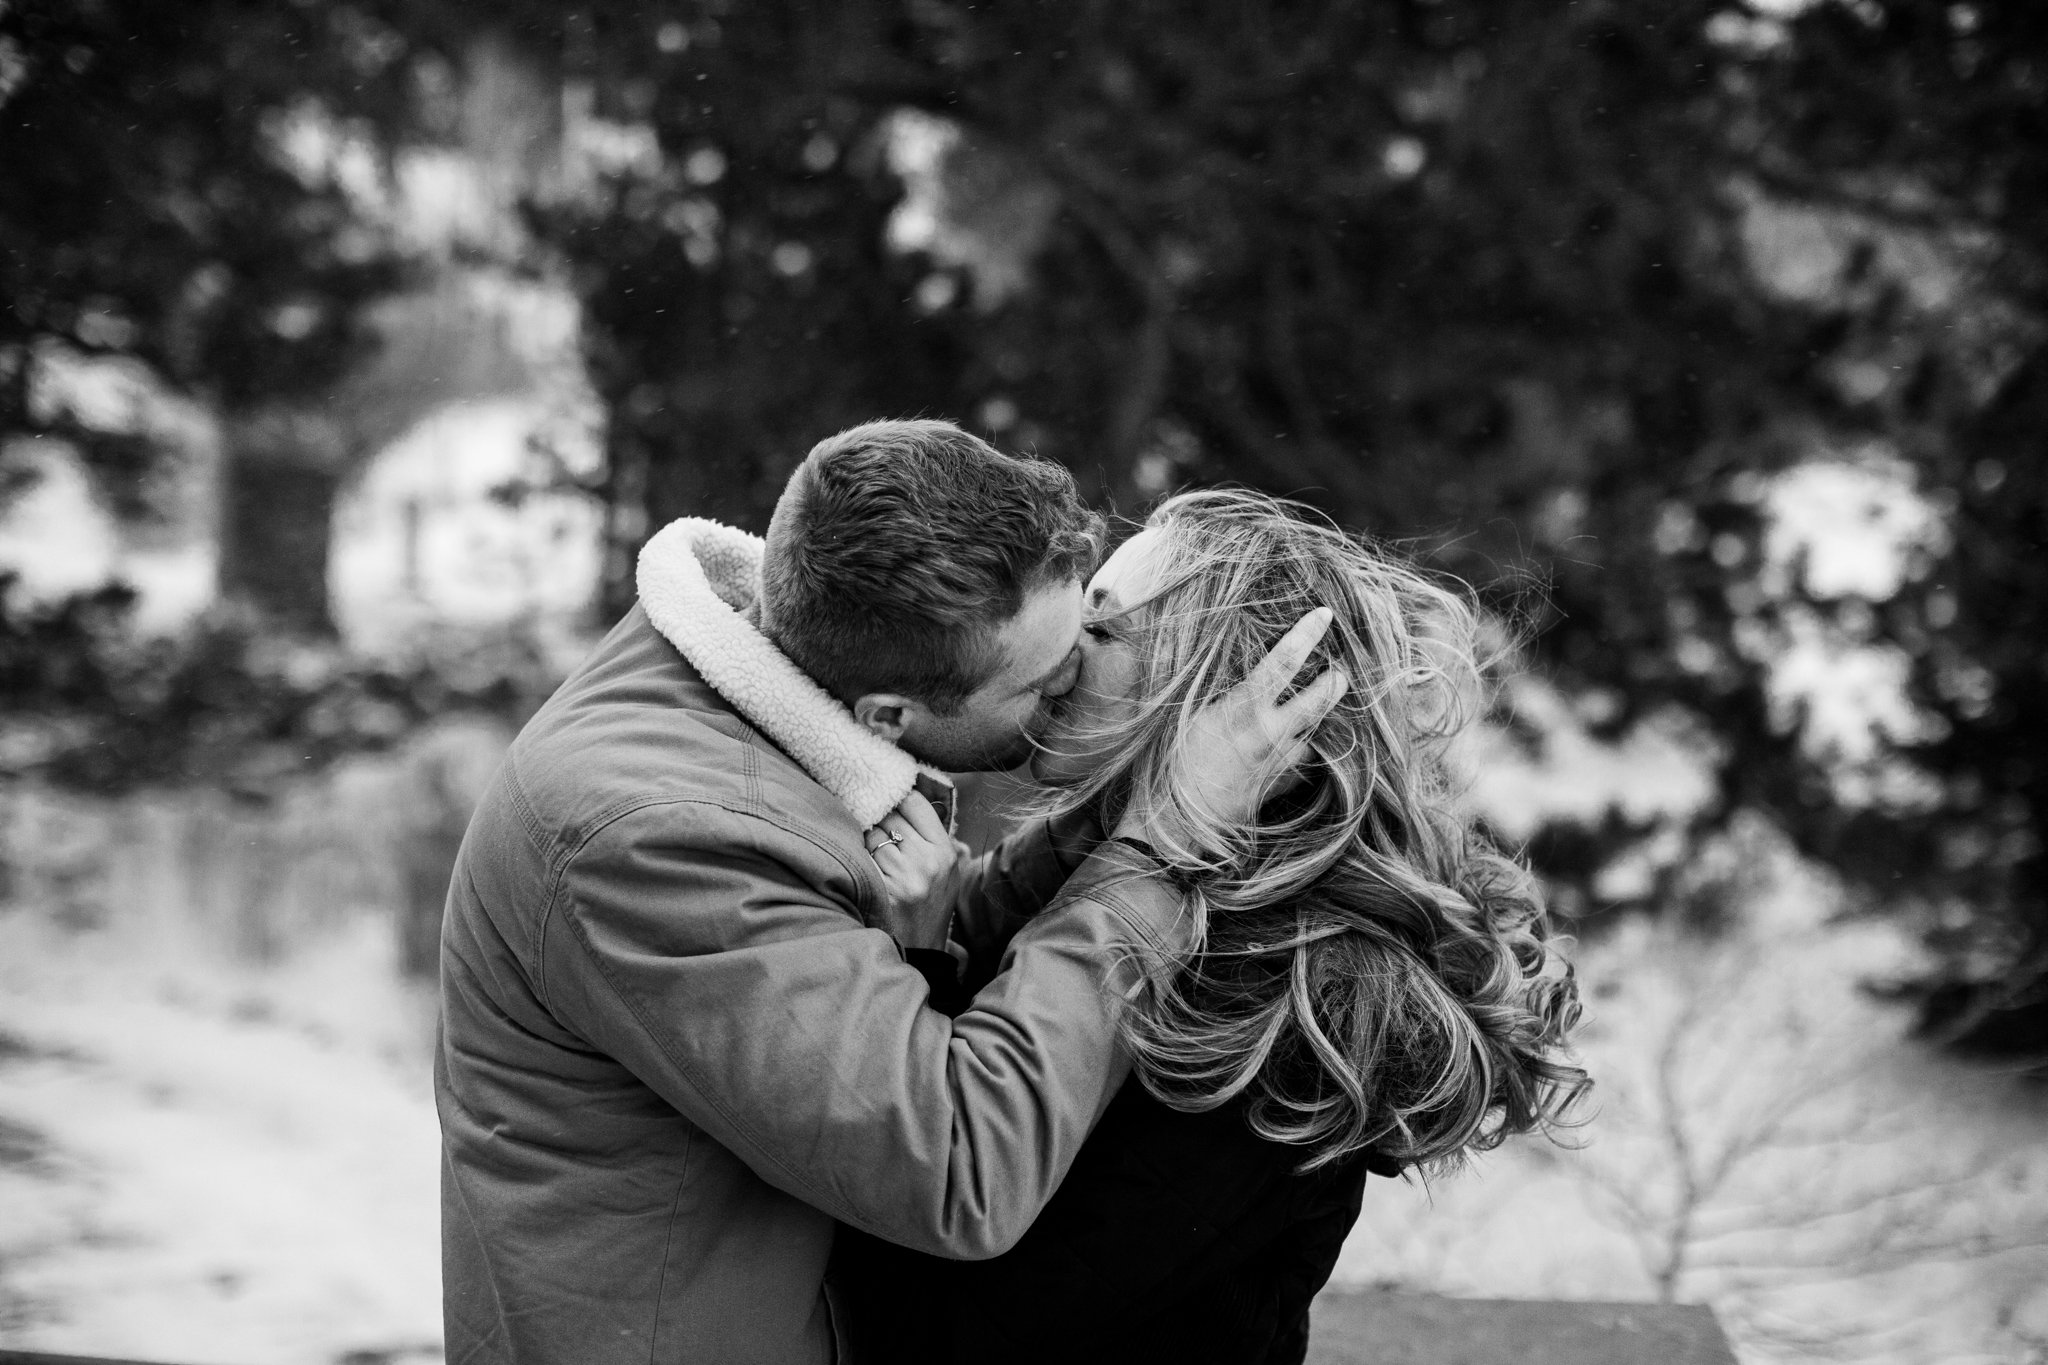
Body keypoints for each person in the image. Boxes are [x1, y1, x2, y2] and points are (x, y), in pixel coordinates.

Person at [434, 421, 1347, 1364]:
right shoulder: (656, 837)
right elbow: (959, 1168)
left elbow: (822, 977)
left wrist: (1129, 794)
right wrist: (1162, 844)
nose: (1075, 682)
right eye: (1046, 678)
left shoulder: (760, 690)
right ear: (892, 716)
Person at [837, 488, 1589, 1364]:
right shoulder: (1121, 846)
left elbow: (938, 1333)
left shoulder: (1293, 1008)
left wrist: (915, 966)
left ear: (1217, 701)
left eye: (1105, 629)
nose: (1060, 649)